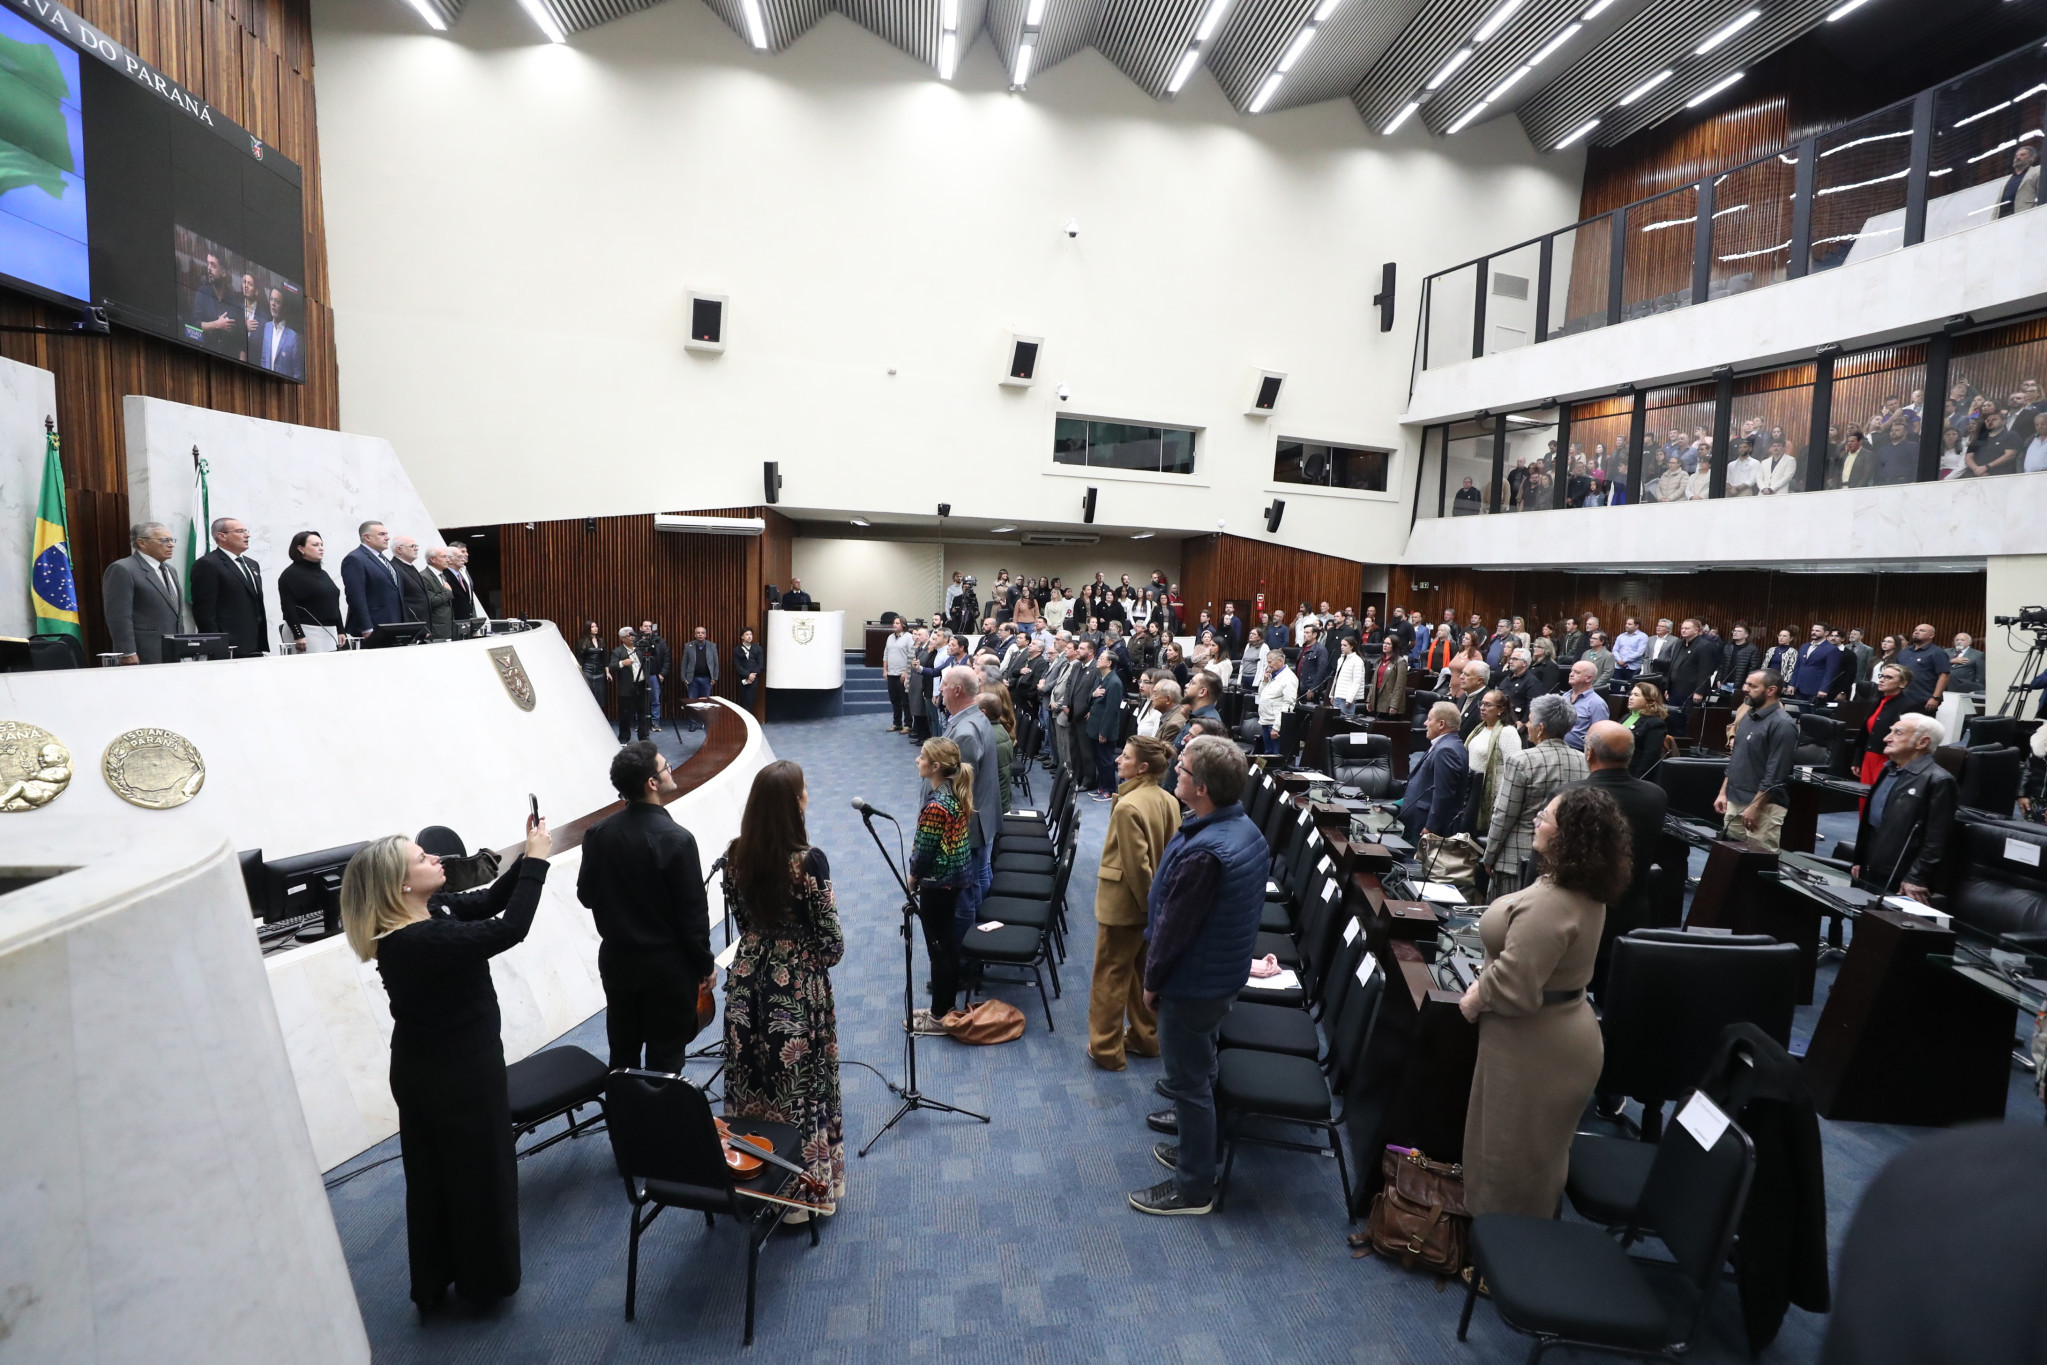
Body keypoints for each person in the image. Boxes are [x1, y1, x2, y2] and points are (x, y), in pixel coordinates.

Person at [338, 812, 553, 1307]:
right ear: (401, 884)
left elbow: (493, 899)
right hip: (454, 1072)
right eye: (422, 857)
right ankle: (484, 1283)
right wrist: (538, 863)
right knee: (479, 1174)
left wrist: (527, 851)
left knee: (442, 1174)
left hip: (437, 1064)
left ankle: (441, 1278)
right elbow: (511, 927)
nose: (435, 857)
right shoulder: (418, 939)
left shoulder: (432, 912)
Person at [1457, 786, 1630, 1218]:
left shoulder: (1551, 905)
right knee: (1530, 1155)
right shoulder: (1581, 885)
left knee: (1509, 1160)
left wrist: (1476, 997)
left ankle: (1504, 1262)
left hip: (1536, 1047)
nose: (1537, 821)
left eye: (1547, 817)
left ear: (1569, 835)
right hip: (1554, 1029)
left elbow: (1515, 989)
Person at [1131, 737, 1266, 1217]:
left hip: (1193, 983)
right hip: (1218, 975)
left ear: (1202, 787)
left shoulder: (1207, 852)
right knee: (1202, 1070)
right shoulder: (1242, 828)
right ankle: (1199, 1151)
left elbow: (1174, 929)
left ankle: (1193, 1188)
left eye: (1183, 769)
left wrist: (1152, 981)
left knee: (1188, 1084)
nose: (1175, 772)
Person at [720, 760, 845, 1215]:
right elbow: (832, 944)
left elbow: (740, 918)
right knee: (801, 1086)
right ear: (794, 804)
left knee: (751, 1079)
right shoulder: (809, 861)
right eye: (804, 790)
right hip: (795, 989)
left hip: (746, 982)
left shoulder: (733, 855)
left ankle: (754, 1183)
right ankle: (801, 1199)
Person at [577, 742, 714, 1070]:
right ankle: (661, 1122)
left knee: (622, 1057)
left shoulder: (597, 834)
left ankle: (626, 1120)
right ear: (652, 783)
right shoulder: (678, 839)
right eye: (666, 767)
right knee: (665, 1061)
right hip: (667, 971)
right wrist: (705, 967)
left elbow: (585, 896)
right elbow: (692, 918)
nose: (670, 771)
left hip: (618, 963)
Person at [1090, 736, 1181, 1071]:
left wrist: (1148, 907)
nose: (1118, 761)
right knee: (1142, 975)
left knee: (1110, 978)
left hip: (1127, 907)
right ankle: (1146, 1038)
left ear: (1142, 767)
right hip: (1150, 908)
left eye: (1125, 757)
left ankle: (1105, 1050)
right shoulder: (1168, 800)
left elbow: (1137, 868)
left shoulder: (1129, 806)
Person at [1572, 721, 1668, 995]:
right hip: (1631, 917)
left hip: (1578, 919)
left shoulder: (1571, 795)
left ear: (1589, 754)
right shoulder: (1656, 796)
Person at [1483, 694, 1588, 895]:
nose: (1527, 725)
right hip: (1561, 862)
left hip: (1515, 861)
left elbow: (1504, 814)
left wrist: (1489, 856)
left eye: (1530, 721)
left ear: (1540, 729)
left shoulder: (1521, 760)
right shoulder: (1583, 761)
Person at [1849, 712, 1958, 900]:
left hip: (1901, 877)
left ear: (1922, 742)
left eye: (1897, 733)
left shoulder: (1939, 781)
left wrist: (1917, 877)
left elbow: (1937, 838)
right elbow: (1873, 822)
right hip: (1871, 865)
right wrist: (1860, 860)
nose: (1886, 738)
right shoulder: (1889, 769)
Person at [909, 738, 974, 1029]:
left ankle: (939, 1016)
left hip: (939, 883)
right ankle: (943, 1008)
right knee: (945, 945)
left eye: (922, 758)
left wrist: (913, 878)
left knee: (939, 949)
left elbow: (924, 851)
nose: (917, 761)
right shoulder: (952, 793)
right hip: (954, 879)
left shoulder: (936, 805)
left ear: (936, 767)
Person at [937, 665, 1000, 940]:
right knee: (977, 882)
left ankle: (964, 957)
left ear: (957, 690)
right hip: (980, 818)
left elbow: (958, 791)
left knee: (965, 896)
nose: (940, 690)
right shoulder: (975, 718)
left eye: (944, 686)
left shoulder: (965, 732)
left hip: (968, 827)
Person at [1717, 669, 1797, 850]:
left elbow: (1776, 772)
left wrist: (1755, 806)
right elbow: (1736, 758)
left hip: (1764, 806)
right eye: (1746, 684)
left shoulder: (1783, 724)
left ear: (1771, 690)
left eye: (1752, 686)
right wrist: (1724, 791)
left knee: (1758, 861)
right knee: (1728, 857)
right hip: (1736, 798)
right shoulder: (1748, 716)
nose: (1745, 689)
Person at [101, 522, 183, 665]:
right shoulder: (123, 569)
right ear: (142, 543)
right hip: (144, 653)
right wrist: (127, 652)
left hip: (174, 651)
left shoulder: (170, 570)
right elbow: (118, 616)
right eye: (164, 540)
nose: (171, 545)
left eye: (171, 540)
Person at [190, 516, 270, 656]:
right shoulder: (208, 564)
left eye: (246, 531)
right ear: (222, 536)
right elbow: (204, 611)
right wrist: (215, 644)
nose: (247, 535)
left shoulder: (252, 564)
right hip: (228, 646)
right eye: (240, 531)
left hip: (254, 643)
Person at [1400, 701, 1470, 844]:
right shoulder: (1445, 745)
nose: (1425, 723)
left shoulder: (1447, 750)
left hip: (1426, 827)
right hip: (1418, 821)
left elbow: (1443, 794)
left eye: (1429, 719)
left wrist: (1431, 827)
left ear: (1441, 724)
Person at [1462, 689, 1522, 833]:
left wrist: (1500, 800)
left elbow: (1513, 768)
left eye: (1488, 705)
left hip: (1491, 793)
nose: (1482, 708)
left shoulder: (1508, 732)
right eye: (1482, 703)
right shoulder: (1480, 728)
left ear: (1501, 710)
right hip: (1471, 788)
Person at [278, 530, 344, 653]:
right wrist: (298, 634)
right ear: (301, 549)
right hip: (306, 632)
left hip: (329, 632)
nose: (321, 548)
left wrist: (341, 630)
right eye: (315, 545)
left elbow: (333, 602)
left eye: (321, 545)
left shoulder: (323, 573)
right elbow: (288, 608)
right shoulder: (290, 574)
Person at [341, 521, 402, 638]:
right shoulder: (355, 559)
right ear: (367, 537)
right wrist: (366, 628)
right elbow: (356, 597)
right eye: (382, 534)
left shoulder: (383, 559)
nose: (387, 538)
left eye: (387, 534)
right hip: (374, 628)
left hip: (394, 624)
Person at [1895, 621, 1951, 715]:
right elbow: (1896, 672)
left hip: (1922, 700)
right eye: (1915, 630)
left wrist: (1935, 697)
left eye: (1922, 630)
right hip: (1900, 697)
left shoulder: (1937, 652)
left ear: (1931, 635)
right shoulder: (1904, 652)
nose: (1916, 632)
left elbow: (1944, 675)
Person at [978, 685, 1016, 817]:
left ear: (983, 713)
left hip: (993, 807)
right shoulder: (1000, 731)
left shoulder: (989, 736)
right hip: (999, 802)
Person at [609, 627, 652, 743]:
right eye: (629, 635)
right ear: (622, 638)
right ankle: (624, 738)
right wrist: (622, 663)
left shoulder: (639, 649)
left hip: (642, 685)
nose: (632, 637)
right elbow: (612, 667)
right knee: (626, 715)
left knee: (643, 713)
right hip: (628, 687)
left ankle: (643, 737)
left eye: (633, 635)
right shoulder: (618, 651)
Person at [1620, 680, 1669, 778]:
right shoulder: (1626, 716)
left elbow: (1650, 756)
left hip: (1633, 774)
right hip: (1618, 769)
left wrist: (1638, 779)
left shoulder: (1655, 723)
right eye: (1631, 694)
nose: (1631, 698)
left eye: (1636, 695)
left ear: (1649, 700)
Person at [1256, 647, 1297, 754]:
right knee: (1267, 753)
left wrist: (1276, 727)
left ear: (1280, 661)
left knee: (1275, 755)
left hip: (1274, 724)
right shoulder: (1272, 675)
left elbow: (1288, 705)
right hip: (1265, 720)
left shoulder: (1289, 678)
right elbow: (1262, 695)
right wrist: (1264, 681)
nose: (1268, 665)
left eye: (1270, 662)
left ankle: (1273, 771)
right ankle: (1263, 771)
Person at [679, 626, 719, 731]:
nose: (700, 634)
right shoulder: (688, 646)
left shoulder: (712, 646)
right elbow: (684, 663)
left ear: (705, 635)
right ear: (695, 635)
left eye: (702, 633)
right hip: (692, 679)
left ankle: (704, 723)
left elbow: (715, 663)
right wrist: (684, 678)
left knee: (705, 703)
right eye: (698, 633)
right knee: (692, 703)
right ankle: (693, 724)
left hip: (707, 679)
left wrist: (714, 677)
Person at [1560, 659, 1604, 750]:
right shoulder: (1565, 696)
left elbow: (1599, 736)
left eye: (1577, 672)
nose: (1571, 674)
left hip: (1579, 752)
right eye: (1571, 671)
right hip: (1557, 747)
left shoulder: (1597, 703)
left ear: (1589, 678)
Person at [260, 286, 302, 379]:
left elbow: (297, 372)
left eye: (277, 301)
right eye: (271, 299)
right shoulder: (266, 327)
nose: (273, 304)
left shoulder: (293, 336)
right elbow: (263, 360)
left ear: (285, 307)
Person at [882, 615, 915, 732]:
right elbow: (885, 654)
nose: (894, 625)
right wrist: (885, 670)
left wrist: (906, 672)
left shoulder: (909, 638)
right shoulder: (890, 637)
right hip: (891, 673)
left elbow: (912, 655)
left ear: (903, 625)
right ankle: (897, 723)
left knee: (905, 701)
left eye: (897, 623)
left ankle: (908, 724)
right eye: (894, 623)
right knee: (894, 700)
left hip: (902, 673)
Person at [635, 622, 670, 733]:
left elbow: (667, 658)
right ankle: (640, 722)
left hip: (655, 674)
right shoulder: (636, 641)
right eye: (645, 626)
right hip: (640, 674)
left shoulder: (659, 641)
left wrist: (662, 673)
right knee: (640, 700)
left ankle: (655, 722)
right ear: (640, 628)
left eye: (650, 626)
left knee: (655, 700)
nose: (648, 628)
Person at [392, 536, 430, 624]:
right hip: (412, 626)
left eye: (416, 546)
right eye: (412, 546)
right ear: (399, 549)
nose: (416, 549)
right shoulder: (395, 568)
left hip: (422, 625)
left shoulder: (410, 566)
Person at [1996, 142, 2039, 218]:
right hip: (2003, 218)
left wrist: (2035, 214)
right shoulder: (2007, 180)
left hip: (2024, 216)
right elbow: (1998, 204)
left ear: (2031, 158)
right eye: (2016, 156)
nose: (2018, 157)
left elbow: (2042, 194)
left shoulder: (2037, 171)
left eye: (2022, 155)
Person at [420, 548, 455, 639]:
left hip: (447, 628)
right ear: (432, 559)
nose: (448, 560)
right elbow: (430, 601)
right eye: (444, 557)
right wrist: (447, 592)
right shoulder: (424, 576)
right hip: (436, 630)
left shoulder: (442, 575)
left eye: (448, 556)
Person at [575, 620, 609, 708]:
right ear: (588, 628)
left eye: (596, 626)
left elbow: (605, 657)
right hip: (587, 671)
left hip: (600, 672)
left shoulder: (601, 640)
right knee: (588, 696)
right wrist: (580, 673)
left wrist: (607, 672)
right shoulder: (583, 641)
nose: (595, 628)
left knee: (600, 697)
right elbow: (580, 658)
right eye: (593, 627)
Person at [1331, 634, 1368, 710]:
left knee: (1345, 719)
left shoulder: (1357, 661)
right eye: (1341, 645)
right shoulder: (1341, 659)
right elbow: (1336, 678)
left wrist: (1349, 699)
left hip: (1347, 697)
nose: (1342, 647)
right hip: (1337, 695)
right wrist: (1332, 695)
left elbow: (1356, 682)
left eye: (1345, 645)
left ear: (1351, 646)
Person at [734, 627, 764, 713]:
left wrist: (752, 675)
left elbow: (760, 664)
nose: (749, 636)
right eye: (747, 634)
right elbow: (737, 666)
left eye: (750, 634)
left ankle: (749, 718)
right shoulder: (737, 650)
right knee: (743, 699)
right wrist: (747, 675)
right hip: (742, 677)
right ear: (742, 637)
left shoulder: (758, 648)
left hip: (754, 678)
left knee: (751, 699)